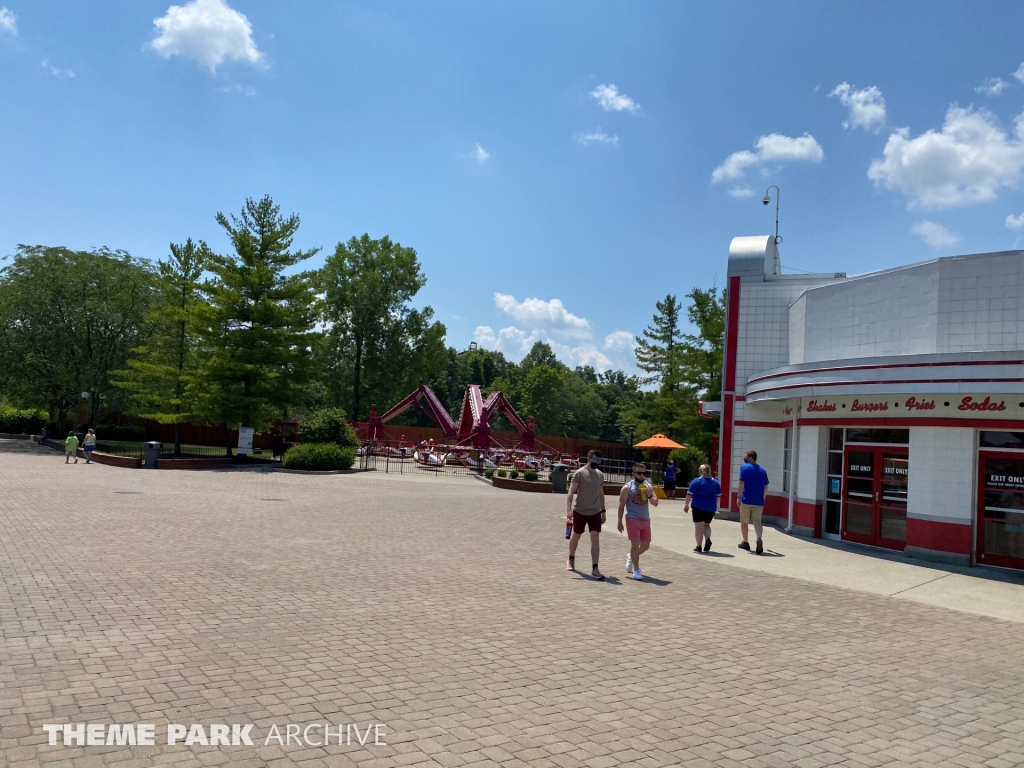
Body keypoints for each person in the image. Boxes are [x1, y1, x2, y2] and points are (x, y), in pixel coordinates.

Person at [566, 449, 607, 579]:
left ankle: (595, 568)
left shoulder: (600, 475)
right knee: (576, 536)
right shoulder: (580, 473)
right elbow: (571, 492)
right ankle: (571, 558)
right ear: (589, 459)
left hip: (595, 511)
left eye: (599, 460)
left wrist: (603, 511)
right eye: (595, 459)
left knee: (595, 537)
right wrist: (569, 510)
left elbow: (601, 494)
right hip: (580, 511)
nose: (597, 462)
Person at [618, 463, 659, 580]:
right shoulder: (627, 488)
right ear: (633, 473)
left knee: (645, 546)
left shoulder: (648, 486)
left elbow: (655, 503)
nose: (642, 476)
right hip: (632, 518)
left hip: (645, 518)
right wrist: (619, 522)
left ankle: (631, 556)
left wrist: (649, 495)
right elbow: (621, 506)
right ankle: (636, 570)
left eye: (644, 473)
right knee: (635, 544)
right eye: (639, 473)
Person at [738, 449, 769, 554]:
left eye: (746, 456)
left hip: (746, 499)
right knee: (757, 522)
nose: (745, 458)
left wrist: (738, 497)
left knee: (744, 521)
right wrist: (763, 498)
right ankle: (759, 538)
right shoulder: (762, 470)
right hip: (758, 501)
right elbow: (765, 486)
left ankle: (745, 542)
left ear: (750, 457)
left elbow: (741, 483)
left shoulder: (744, 468)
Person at [684, 464, 722, 552]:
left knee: (698, 527)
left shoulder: (697, 481)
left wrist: (686, 504)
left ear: (701, 471)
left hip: (698, 507)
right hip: (711, 508)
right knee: (707, 525)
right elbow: (718, 497)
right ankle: (707, 539)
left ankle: (698, 546)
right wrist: (714, 506)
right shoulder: (715, 482)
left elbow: (689, 494)